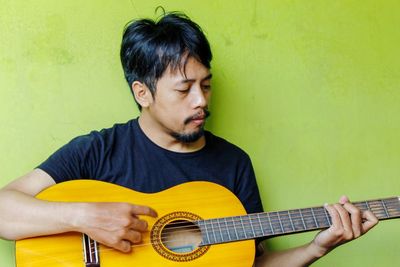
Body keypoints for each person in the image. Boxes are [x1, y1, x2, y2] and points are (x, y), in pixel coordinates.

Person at [0, 12, 378, 266]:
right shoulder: (99, 150)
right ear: (142, 93)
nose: (201, 101)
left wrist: (317, 246)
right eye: (184, 90)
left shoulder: (233, 163)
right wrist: (84, 216)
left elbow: (251, 263)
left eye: (206, 85)